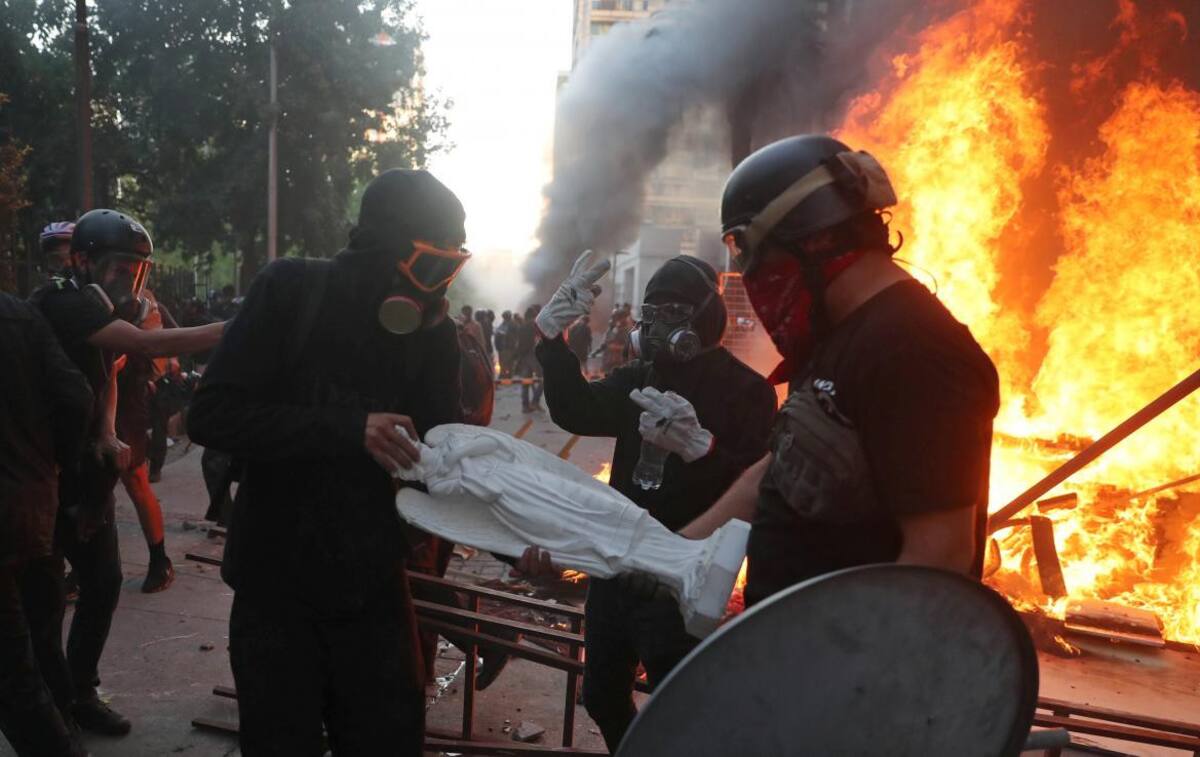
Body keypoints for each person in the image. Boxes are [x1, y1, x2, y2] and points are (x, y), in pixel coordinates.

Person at [188, 169, 468, 756]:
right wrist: (347, 429)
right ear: (388, 252)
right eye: (430, 268)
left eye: (450, 270)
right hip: (275, 590)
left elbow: (448, 458)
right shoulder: (290, 291)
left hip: (373, 589)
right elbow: (212, 415)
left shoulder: (428, 334)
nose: (435, 288)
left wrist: (523, 541)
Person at [680, 134, 999, 607]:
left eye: (747, 248)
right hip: (798, 651)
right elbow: (776, 471)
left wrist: (845, 673)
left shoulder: (916, 348)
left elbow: (940, 554)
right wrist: (670, 552)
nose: (750, 273)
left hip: (844, 668)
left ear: (816, 238)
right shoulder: (839, 336)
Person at [523, 251, 777, 751]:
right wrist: (551, 341)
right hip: (619, 564)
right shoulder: (639, 376)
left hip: (685, 572)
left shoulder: (748, 392)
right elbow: (576, 410)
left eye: (674, 312)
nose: (658, 324)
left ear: (704, 319)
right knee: (599, 694)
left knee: (679, 699)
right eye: (652, 311)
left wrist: (703, 449)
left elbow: (759, 488)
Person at [30, 208, 225, 737]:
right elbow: (144, 346)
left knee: (102, 581)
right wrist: (236, 329)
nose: (130, 283)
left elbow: (109, 372)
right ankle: (50, 708)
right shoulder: (66, 304)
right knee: (45, 600)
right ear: (84, 261)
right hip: (41, 476)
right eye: (120, 269)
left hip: (82, 469)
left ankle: (81, 689)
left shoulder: (98, 315)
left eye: (139, 272)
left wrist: (106, 431)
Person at [0, 291, 93, 757]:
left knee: (16, 679)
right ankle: (68, 720)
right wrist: (53, 465)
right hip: (33, 506)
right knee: (38, 636)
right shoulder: (21, 315)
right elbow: (77, 395)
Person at [113, 289, 178, 592]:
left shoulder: (143, 299)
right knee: (86, 487)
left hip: (126, 399)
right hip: (86, 395)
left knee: (135, 479)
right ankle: (87, 566)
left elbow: (158, 356)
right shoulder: (66, 294)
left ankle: (159, 559)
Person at [514, 304, 543, 412]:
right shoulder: (534, 325)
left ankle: (525, 406)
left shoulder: (522, 326)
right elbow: (538, 341)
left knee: (526, 381)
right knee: (543, 379)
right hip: (532, 355)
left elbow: (518, 343)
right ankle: (535, 402)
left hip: (523, 356)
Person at [493, 310, 515, 378]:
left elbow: (515, 336)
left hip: (508, 347)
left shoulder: (512, 325)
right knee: (503, 362)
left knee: (508, 362)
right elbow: (497, 335)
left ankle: (508, 375)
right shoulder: (502, 325)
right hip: (503, 347)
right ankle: (504, 375)